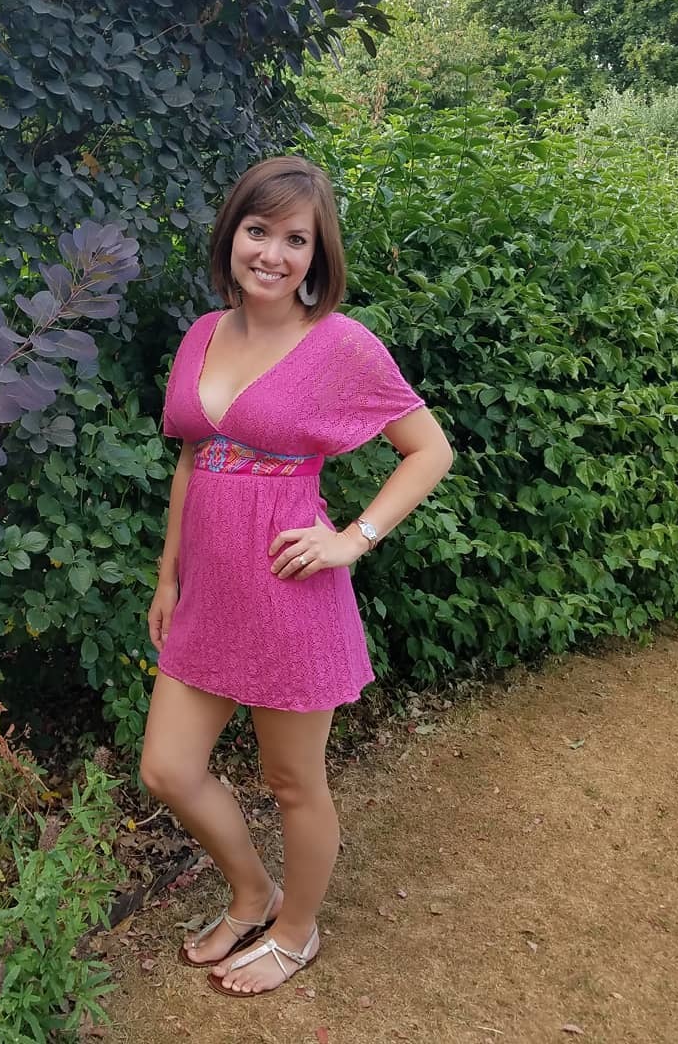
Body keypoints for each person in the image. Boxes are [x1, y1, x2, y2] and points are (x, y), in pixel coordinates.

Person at [140, 156, 454, 998]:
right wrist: (169, 577)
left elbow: (430, 451)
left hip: (289, 592)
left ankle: (296, 930)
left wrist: (354, 538)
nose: (272, 254)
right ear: (231, 235)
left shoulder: (340, 344)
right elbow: (193, 459)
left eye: (295, 239)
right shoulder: (204, 334)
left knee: (291, 781)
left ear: (318, 254)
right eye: (258, 231)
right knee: (167, 769)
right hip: (208, 593)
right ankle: (254, 894)